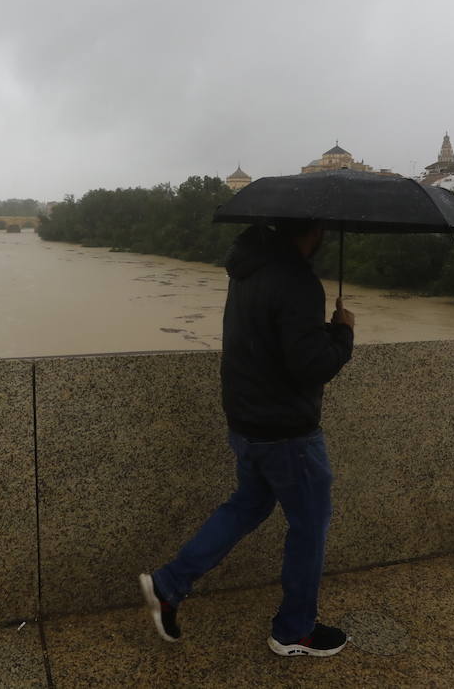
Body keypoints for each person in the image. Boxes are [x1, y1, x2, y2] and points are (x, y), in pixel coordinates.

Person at [139, 219, 355, 658]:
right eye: (320, 234)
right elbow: (310, 366)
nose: (323, 241)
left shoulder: (246, 271)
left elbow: (267, 345)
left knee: (248, 505)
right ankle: (295, 630)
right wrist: (343, 332)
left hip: (247, 420)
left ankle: (169, 584)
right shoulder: (297, 283)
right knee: (310, 527)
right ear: (309, 233)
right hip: (288, 431)